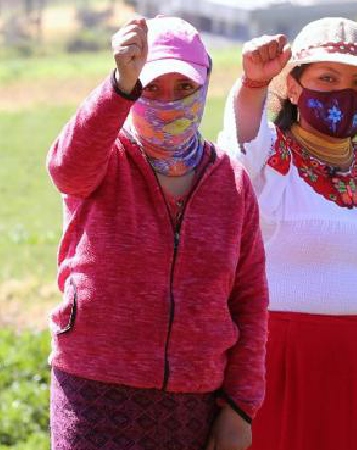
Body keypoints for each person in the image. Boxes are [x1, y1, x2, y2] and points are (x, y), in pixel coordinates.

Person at [46, 16, 267, 450]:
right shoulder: (104, 158)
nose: (168, 101)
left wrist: (240, 407)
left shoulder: (231, 182)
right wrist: (119, 85)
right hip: (94, 392)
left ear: (204, 85)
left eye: (184, 87)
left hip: (194, 401)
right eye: (151, 88)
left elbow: (250, 301)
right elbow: (65, 170)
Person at [216, 17, 357, 450]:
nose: (344, 93)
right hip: (274, 363)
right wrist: (253, 85)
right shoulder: (268, 157)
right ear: (294, 87)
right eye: (327, 78)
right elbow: (240, 143)